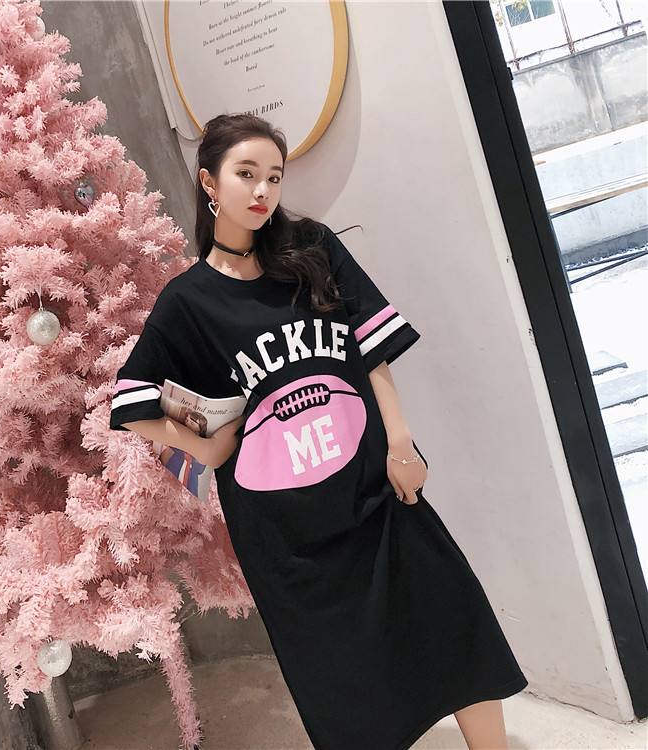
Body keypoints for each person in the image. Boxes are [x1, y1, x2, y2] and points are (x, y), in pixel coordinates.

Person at [109, 113, 528, 750]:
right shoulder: (187, 302)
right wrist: (204, 446)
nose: (263, 191)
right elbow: (130, 401)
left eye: (274, 177)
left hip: (373, 490)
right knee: (345, 685)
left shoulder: (312, 250)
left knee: (453, 622)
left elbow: (372, 347)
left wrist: (401, 443)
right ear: (209, 183)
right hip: (287, 535)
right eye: (246, 174)